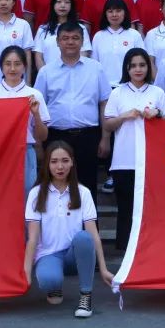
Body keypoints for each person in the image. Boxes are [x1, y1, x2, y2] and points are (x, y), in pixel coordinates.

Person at [24, 141, 113, 318]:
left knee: (84, 237)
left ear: (72, 162)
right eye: (54, 161)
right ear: (47, 164)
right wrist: (26, 273)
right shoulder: (36, 193)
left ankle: (85, 295)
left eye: (65, 161)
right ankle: (54, 285)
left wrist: (103, 268)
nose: (60, 166)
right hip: (49, 255)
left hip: (74, 254)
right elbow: (32, 238)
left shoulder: (83, 192)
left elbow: (93, 234)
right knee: (49, 280)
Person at [34, 22, 111, 199]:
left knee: (88, 188)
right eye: (65, 38)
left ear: (82, 42)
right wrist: (39, 144)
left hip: (88, 136)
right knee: (55, 189)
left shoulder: (96, 68)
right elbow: (38, 108)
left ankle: (89, 219)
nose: (70, 42)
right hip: (56, 137)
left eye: (75, 38)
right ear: (57, 42)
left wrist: (105, 138)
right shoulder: (46, 72)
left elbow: (104, 103)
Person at [103, 48, 165, 252]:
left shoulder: (157, 92)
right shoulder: (117, 92)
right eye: (133, 66)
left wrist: (157, 114)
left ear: (148, 67)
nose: (138, 69)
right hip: (124, 159)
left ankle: (150, 248)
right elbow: (107, 125)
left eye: (142, 65)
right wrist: (124, 116)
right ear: (127, 69)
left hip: (151, 159)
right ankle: (125, 250)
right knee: (126, 206)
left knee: (150, 207)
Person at [0, 45, 51, 196]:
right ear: (1, 67)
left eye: (17, 64)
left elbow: (42, 136)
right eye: (8, 64)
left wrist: (36, 114)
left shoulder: (34, 95)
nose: (12, 68)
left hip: (25, 152)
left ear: (25, 66)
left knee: (25, 196)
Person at [91, 0, 145, 87]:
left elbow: (142, 62)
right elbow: (94, 65)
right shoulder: (98, 36)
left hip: (129, 87)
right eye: (110, 11)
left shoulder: (134, 35)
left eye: (118, 11)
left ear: (125, 13)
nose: (114, 14)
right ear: (105, 14)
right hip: (105, 87)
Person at [33, 0, 91, 71]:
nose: (63, 5)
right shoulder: (43, 29)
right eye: (59, 2)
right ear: (53, 4)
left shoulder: (81, 28)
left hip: (74, 74)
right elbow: (38, 57)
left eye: (67, 2)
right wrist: (46, 75)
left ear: (72, 5)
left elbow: (84, 53)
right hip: (49, 75)